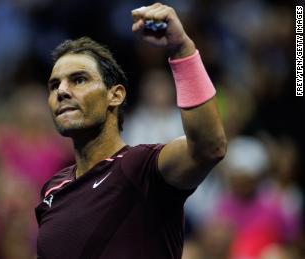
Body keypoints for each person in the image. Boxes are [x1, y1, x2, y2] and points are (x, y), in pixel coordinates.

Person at [35, 3, 227, 259]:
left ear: (115, 96)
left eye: (79, 79)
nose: (61, 91)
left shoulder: (141, 168)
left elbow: (208, 148)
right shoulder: (53, 189)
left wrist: (182, 48)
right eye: (54, 85)